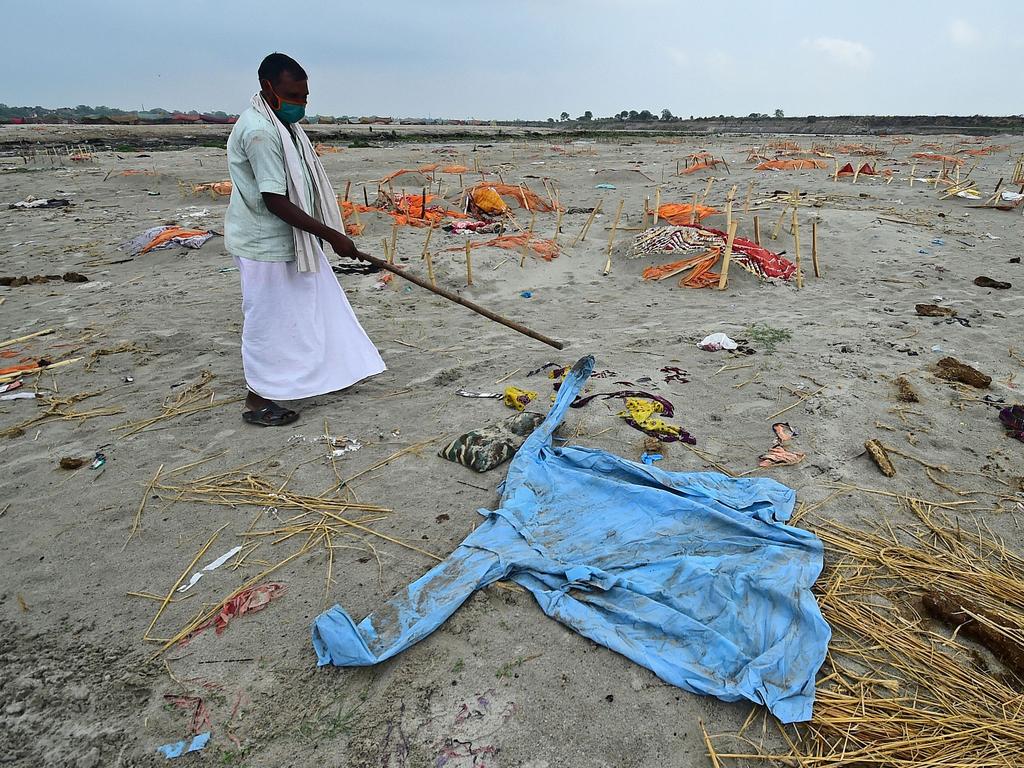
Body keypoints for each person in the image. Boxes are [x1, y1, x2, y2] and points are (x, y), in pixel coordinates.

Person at [225, 53, 385, 427]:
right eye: (294, 95)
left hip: (290, 239)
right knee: (268, 321)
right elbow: (275, 200)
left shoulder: (283, 124)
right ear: (268, 89)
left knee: (312, 308)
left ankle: (312, 376)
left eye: (305, 96)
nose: (301, 104)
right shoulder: (261, 132)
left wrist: (329, 236)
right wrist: (334, 237)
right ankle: (258, 400)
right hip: (263, 243)